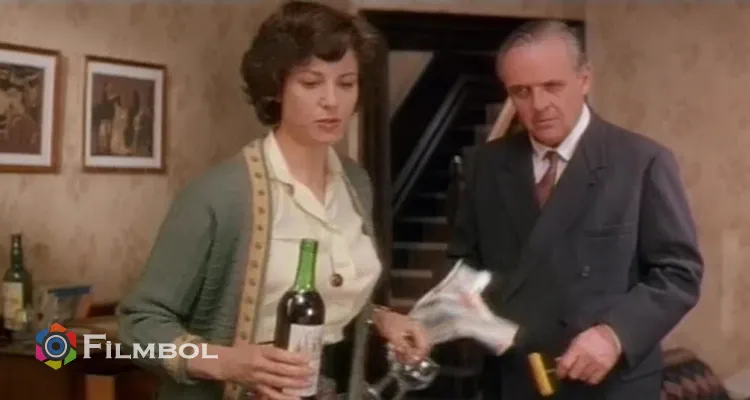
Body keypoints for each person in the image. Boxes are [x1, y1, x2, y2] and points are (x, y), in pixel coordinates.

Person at [117, 2, 431, 400]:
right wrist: (224, 362)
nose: (332, 101)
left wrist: (382, 319)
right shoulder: (219, 195)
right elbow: (137, 328)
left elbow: (327, 299)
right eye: (311, 83)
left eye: (346, 83)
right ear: (276, 88)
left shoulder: (356, 183)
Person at [447, 20, 703, 400]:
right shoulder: (483, 166)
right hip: (515, 381)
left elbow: (679, 274)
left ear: (584, 79)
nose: (539, 106)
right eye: (521, 92)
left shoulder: (642, 161)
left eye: (552, 86)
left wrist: (615, 334)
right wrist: (453, 318)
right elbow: (464, 268)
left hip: (612, 385)